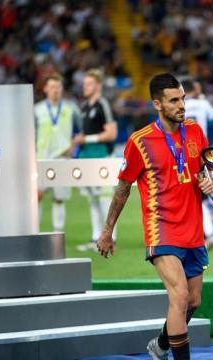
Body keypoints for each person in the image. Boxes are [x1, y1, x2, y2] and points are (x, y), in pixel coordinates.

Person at [96, 73, 213, 360]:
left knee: (193, 301)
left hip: (192, 229)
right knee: (178, 297)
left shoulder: (195, 132)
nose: (181, 105)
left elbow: (207, 170)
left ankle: (162, 344)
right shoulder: (140, 141)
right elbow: (123, 188)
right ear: (157, 104)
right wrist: (107, 231)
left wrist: (211, 181)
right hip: (161, 229)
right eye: (174, 100)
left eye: (183, 99)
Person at [74, 69, 118, 251]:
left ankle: (111, 238)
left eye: (89, 84)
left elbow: (111, 133)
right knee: (92, 199)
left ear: (98, 86)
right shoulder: (84, 107)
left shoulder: (102, 104)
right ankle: (95, 238)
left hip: (101, 157)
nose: (85, 87)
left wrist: (87, 139)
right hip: (86, 157)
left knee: (105, 198)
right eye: (84, 84)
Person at [34, 73, 80, 232]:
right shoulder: (37, 110)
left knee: (59, 198)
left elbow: (79, 132)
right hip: (41, 158)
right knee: (37, 197)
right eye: (52, 87)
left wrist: (73, 146)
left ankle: (58, 232)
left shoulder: (70, 108)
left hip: (62, 158)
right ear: (45, 88)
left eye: (58, 87)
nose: (56, 90)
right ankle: (36, 232)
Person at [181, 77, 213, 248]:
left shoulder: (180, 106)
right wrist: (203, 98)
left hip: (185, 152)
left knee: (196, 194)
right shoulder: (202, 103)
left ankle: (210, 233)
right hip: (203, 150)